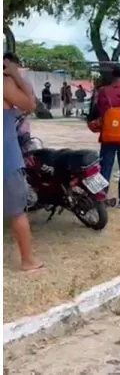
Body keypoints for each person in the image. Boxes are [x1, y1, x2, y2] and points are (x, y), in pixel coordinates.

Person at [3, 54, 44, 271]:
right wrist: (16, 75)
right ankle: (28, 260)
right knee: (17, 212)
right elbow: (30, 104)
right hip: (6, 159)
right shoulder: (5, 83)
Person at [96, 65, 120, 208]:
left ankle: (101, 198)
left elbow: (98, 111)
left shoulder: (102, 92)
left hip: (107, 136)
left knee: (105, 168)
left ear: (112, 76)